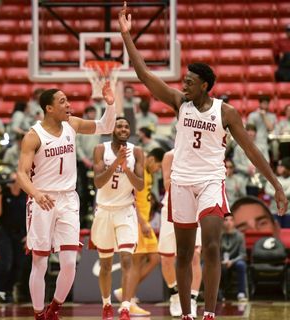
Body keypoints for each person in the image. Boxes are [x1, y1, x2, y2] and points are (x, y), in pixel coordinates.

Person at [118, 3, 288, 320]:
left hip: (210, 181)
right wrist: (127, 35)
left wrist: (276, 186)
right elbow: (143, 73)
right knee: (183, 254)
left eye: (190, 82)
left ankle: (209, 312)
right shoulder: (178, 103)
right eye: (184, 81)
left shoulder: (225, 112)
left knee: (210, 246)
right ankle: (187, 313)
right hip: (181, 183)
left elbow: (252, 150)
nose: (184, 85)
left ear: (205, 86)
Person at [16, 82, 116, 320]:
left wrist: (110, 104)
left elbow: (105, 125)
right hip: (43, 200)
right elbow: (21, 174)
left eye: (67, 100)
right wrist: (36, 194)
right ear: (49, 108)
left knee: (70, 262)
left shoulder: (72, 124)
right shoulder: (33, 136)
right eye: (62, 101)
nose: (68, 104)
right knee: (39, 262)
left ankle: (54, 309)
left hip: (69, 199)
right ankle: (39, 314)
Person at [91, 117, 144, 320]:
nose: (123, 129)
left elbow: (139, 186)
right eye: (119, 126)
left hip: (125, 210)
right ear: (112, 129)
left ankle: (125, 307)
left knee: (126, 258)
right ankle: (106, 305)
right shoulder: (100, 149)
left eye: (126, 126)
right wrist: (116, 163)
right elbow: (98, 182)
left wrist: (126, 167)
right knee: (105, 264)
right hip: (104, 210)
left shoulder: (137, 152)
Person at [113, 147, 165, 317]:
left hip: (144, 222)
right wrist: (142, 222)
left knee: (156, 257)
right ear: (151, 159)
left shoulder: (149, 173)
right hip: (136, 221)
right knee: (136, 262)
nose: (158, 170)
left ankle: (125, 291)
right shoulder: (139, 169)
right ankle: (128, 302)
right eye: (158, 166)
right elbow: (130, 197)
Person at [158, 150, 202, 318]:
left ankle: (192, 298)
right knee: (167, 259)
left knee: (195, 256)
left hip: (194, 207)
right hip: (171, 207)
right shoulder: (170, 155)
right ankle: (175, 294)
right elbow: (168, 185)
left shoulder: (199, 153)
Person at [0, 171, 28, 303]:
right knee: (7, 261)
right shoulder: (3, 194)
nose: (13, 182)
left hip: (21, 233)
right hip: (3, 232)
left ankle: (7, 290)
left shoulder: (26, 194)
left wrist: (29, 234)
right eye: (11, 180)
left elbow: (31, 215)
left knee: (19, 264)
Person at [76, 106, 101, 227]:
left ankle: (95, 217)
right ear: (86, 113)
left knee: (97, 189)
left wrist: (96, 159)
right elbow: (77, 145)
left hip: (95, 162)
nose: (92, 114)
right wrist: (84, 159)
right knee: (83, 190)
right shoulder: (80, 126)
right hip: (83, 162)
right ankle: (83, 218)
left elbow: (99, 144)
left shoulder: (97, 126)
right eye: (90, 112)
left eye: (94, 112)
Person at [219, 215, 248, 302]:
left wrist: (232, 261)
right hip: (222, 262)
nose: (228, 222)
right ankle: (219, 293)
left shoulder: (240, 236)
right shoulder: (219, 236)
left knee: (241, 264)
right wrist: (221, 261)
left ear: (234, 222)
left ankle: (241, 293)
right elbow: (216, 252)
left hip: (235, 261)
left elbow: (243, 254)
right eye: (226, 220)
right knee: (214, 266)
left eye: (231, 220)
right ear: (223, 222)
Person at [264, 157, 290, 228]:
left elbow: (288, 194)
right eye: (278, 166)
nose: (278, 168)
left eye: (281, 166)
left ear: (287, 168)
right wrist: (278, 193)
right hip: (274, 211)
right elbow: (267, 189)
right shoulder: (273, 178)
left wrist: (276, 192)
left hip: (288, 213)